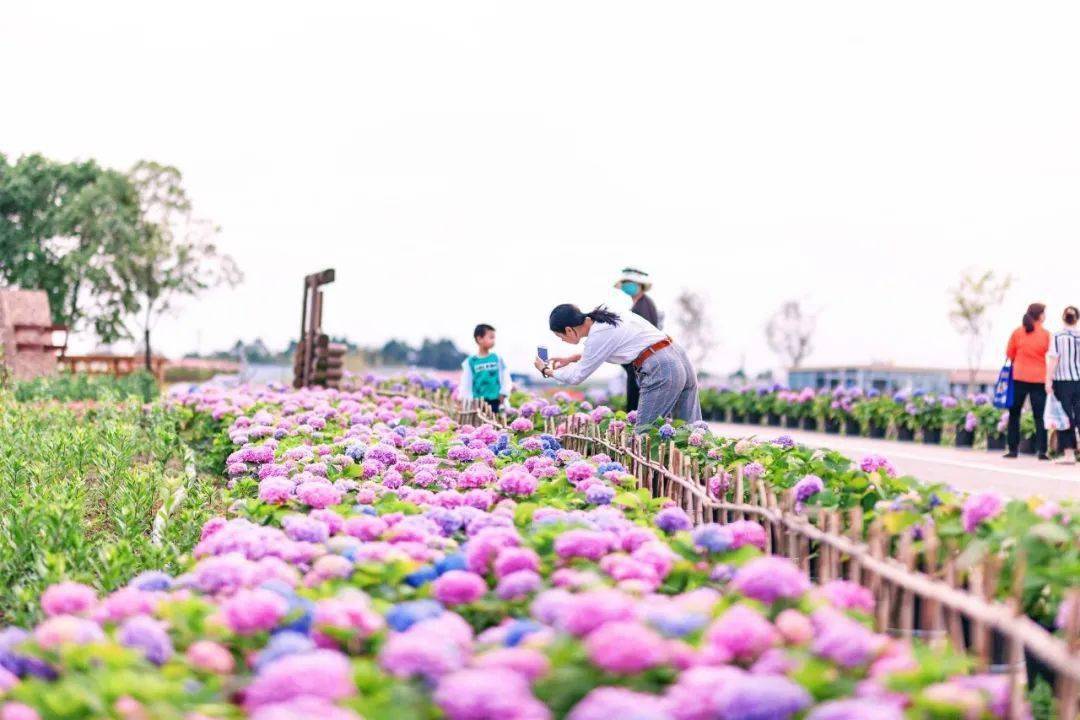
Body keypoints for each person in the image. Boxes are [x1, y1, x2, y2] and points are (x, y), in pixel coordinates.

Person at [534, 304, 701, 430]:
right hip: (676, 355)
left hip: (661, 366)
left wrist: (546, 370)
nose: (562, 340)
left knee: (644, 434)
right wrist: (570, 359)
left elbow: (576, 376)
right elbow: (606, 350)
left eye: (560, 336)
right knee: (688, 427)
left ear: (569, 330)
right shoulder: (606, 318)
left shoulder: (598, 335)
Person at [1004, 303, 1050, 459]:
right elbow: (1050, 356)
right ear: (1039, 315)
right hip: (1039, 379)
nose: (1045, 316)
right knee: (1040, 416)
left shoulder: (1017, 332)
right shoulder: (1045, 335)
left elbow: (1010, 353)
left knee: (1014, 414)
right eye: (1044, 313)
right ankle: (1042, 451)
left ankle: (1012, 450)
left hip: (1019, 378)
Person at [614, 267, 659, 413]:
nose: (627, 285)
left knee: (637, 407)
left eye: (630, 282)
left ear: (640, 285)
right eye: (625, 282)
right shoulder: (638, 304)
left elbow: (641, 338)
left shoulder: (644, 305)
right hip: (637, 364)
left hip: (641, 363)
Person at [1047, 305, 1080, 463]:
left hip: (1062, 382)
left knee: (1064, 417)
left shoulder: (1057, 336)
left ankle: (1069, 455)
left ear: (1063, 317)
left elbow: (1053, 359)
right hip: (1079, 380)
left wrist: (1048, 380)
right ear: (1077, 319)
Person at [459, 323, 512, 414]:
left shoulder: (497, 359)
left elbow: (505, 377)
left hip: (495, 399)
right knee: (479, 422)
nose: (493, 341)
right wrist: (463, 398)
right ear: (479, 339)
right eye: (491, 337)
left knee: (495, 421)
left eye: (494, 338)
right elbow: (466, 382)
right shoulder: (471, 362)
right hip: (477, 401)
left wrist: (504, 393)